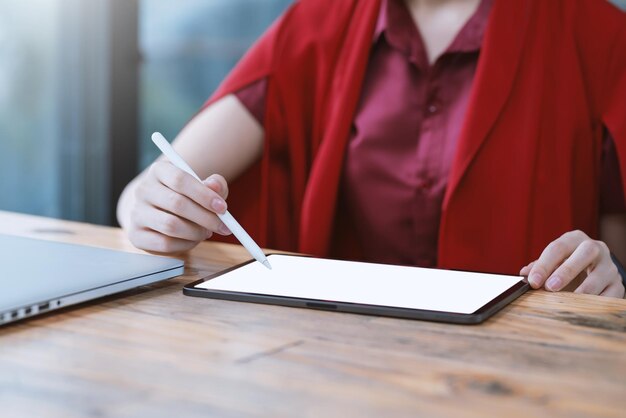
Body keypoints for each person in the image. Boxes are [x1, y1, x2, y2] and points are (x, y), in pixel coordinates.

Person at [117, 0, 626, 298]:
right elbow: (157, 183)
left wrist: (612, 277)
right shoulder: (318, 23)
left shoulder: (598, 35)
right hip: (344, 361)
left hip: (529, 373)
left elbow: (612, 258)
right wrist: (150, 207)